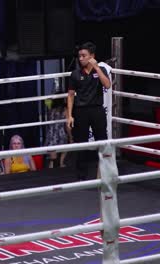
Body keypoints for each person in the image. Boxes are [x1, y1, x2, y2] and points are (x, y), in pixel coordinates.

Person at [66, 42, 111, 181]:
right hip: (81, 111)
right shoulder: (75, 74)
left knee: (102, 142)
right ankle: (81, 177)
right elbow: (70, 95)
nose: (81, 58)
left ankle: (104, 173)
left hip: (97, 109)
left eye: (84, 56)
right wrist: (69, 115)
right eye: (79, 56)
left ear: (92, 56)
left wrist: (97, 67)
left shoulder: (100, 71)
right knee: (82, 144)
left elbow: (108, 85)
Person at [44, 96, 71, 168]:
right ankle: (61, 162)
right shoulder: (65, 110)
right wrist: (70, 136)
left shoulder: (50, 109)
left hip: (51, 132)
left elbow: (46, 100)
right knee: (65, 148)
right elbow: (67, 125)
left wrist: (52, 99)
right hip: (60, 132)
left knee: (52, 152)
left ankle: (52, 165)